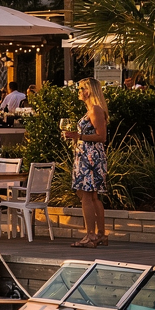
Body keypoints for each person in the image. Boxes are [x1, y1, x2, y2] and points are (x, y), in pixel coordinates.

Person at [64, 77, 111, 248]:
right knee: (90, 196)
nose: (78, 92)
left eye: (81, 89)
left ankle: (91, 235)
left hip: (90, 157)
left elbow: (102, 137)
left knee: (86, 196)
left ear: (88, 91)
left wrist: (79, 137)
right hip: (86, 155)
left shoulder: (95, 110)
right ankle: (100, 234)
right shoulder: (92, 110)